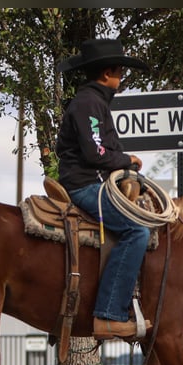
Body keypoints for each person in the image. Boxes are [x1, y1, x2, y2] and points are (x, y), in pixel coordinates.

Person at [56, 37, 152, 341]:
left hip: (91, 181)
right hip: (83, 185)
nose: (121, 78)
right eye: (120, 72)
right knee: (137, 231)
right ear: (107, 73)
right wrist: (128, 160)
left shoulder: (93, 102)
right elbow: (95, 154)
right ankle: (109, 315)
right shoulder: (89, 103)